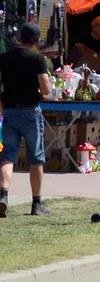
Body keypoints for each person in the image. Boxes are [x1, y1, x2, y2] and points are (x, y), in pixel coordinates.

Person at [0, 23, 53, 217]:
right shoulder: (38, 59)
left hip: (10, 112)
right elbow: (46, 90)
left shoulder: (4, 58)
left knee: (8, 156)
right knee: (35, 158)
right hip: (31, 111)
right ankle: (36, 204)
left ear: (20, 37)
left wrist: (2, 108)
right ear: (37, 41)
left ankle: (3, 195)